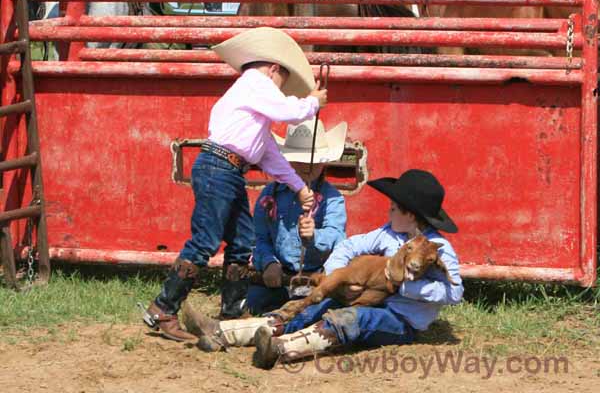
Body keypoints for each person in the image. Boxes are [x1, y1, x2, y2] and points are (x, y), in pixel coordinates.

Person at [141, 27, 328, 341]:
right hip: (221, 168)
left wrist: (298, 186)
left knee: (241, 241)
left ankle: (230, 312)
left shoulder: (253, 99)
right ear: (274, 69)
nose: (282, 89)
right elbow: (287, 113)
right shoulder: (255, 83)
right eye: (283, 80)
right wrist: (311, 103)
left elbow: (269, 153)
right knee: (206, 240)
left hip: (223, 168)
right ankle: (163, 308)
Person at [183, 169, 463, 367]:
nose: (388, 212)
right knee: (314, 303)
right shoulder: (388, 234)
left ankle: (282, 348)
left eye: (393, 208)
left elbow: (454, 293)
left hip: (401, 319)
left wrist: (402, 284)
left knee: (354, 319)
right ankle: (225, 332)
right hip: (369, 299)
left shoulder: (438, 250)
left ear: (410, 215)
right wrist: (336, 276)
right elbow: (348, 246)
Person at [248, 118, 348, 315]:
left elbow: (337, 237)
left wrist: (314, 236)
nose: (306, 167)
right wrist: (269, 262)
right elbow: (259, 238)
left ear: (324, 162)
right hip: (279, 274)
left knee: (318, 307)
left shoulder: (333, 198)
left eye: (312, 162)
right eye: (299, 161)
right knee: (255, 301)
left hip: (317, 276)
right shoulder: (269, 195)